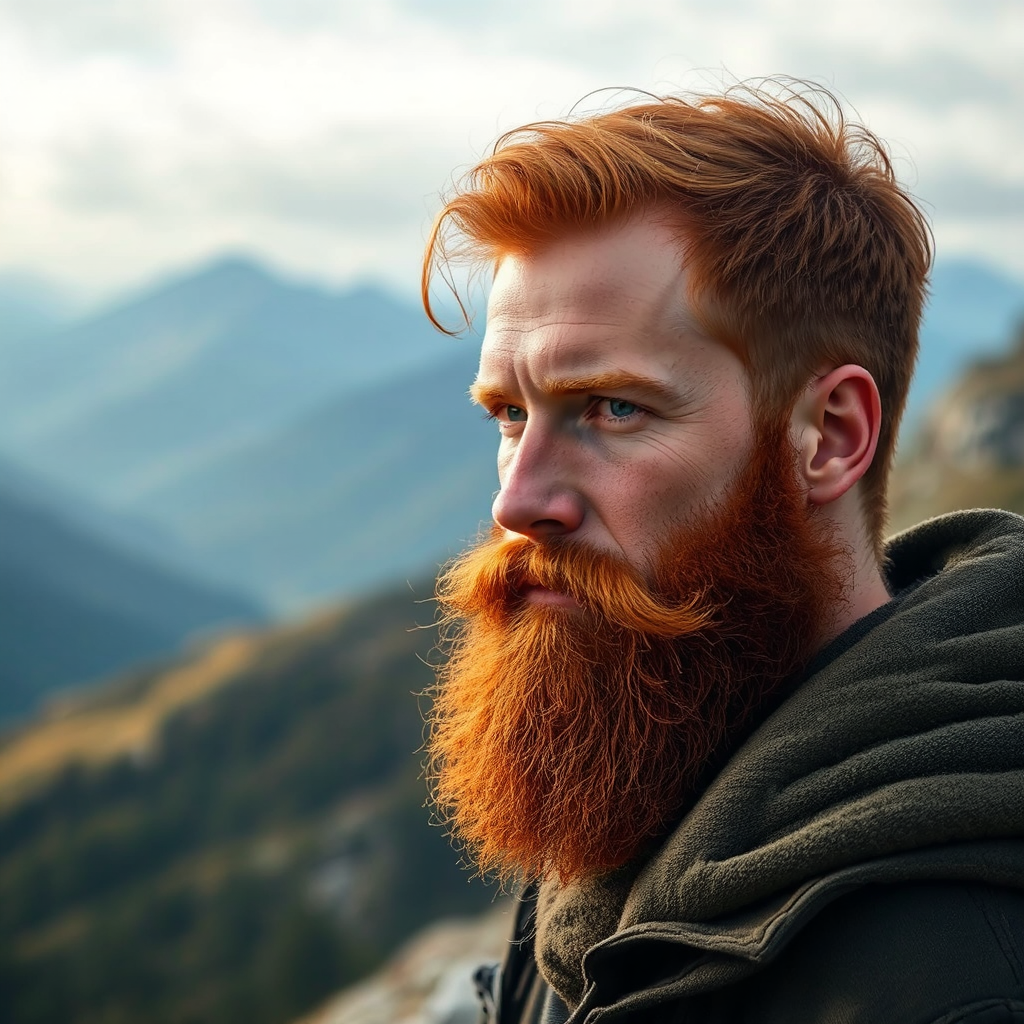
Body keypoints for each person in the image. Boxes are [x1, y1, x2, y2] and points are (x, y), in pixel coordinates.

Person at [420, 81, 1024, 1023]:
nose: (517, 500)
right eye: (509, 413)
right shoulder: (632, 774)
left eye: (613, 408)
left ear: (827, 435)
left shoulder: (953, 975)